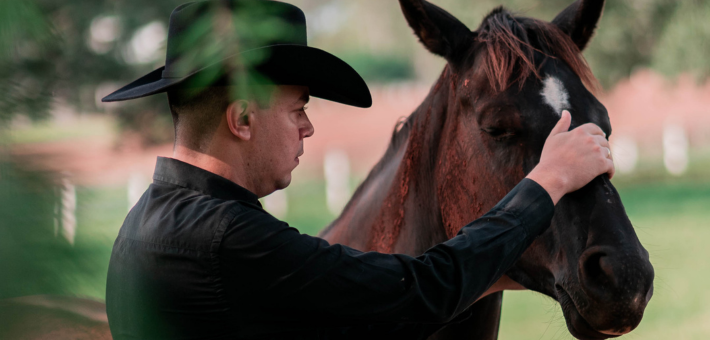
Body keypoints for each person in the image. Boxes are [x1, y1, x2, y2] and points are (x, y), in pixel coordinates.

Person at [103, 1, 615, 339]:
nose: (307, 128)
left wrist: (495, 272)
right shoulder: (228, 239)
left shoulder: (144, 225)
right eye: (297, 109)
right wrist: (545, 183)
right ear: (241, 118)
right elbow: (413, 292)